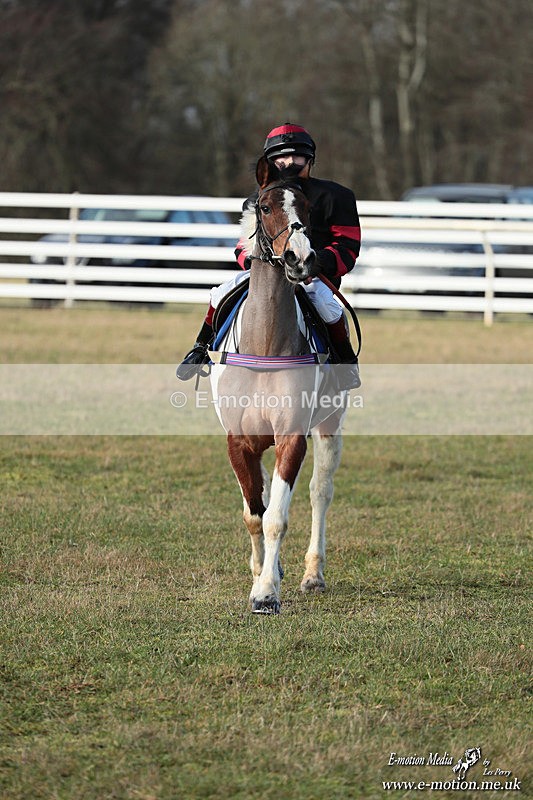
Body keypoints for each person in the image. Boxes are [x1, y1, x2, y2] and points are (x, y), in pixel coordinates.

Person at [176, 123, 361, 387]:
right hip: (265, 276)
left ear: (310, 159)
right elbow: (242, 246)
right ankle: (200, 348)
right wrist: (254, 263)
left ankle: (346, 365)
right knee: (220, 293)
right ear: (270, 162)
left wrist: (314, 263)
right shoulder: (258, 200)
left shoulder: (337, 196)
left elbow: (348, 246)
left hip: (313, 275)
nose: (289, 162)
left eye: (296, 156)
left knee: (327, 307)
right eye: (281, 157)